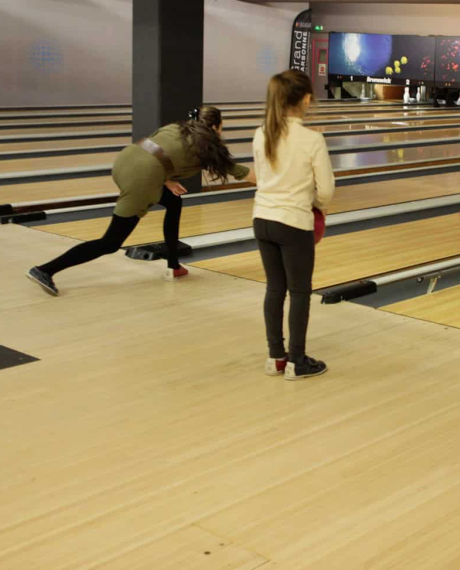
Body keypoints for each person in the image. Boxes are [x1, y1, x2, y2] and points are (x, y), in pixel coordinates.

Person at [27, 105, 254, 295]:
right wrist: (275, 185)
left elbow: (153, 150)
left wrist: (166, 180)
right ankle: (45, 269)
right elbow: (239, 171)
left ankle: (173, 265)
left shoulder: (176, 127)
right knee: (110, 242)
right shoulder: (207, 148)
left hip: (125, 160)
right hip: (141, 178)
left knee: (174, 202)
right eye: (221, 127)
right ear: (215, 127)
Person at [253, 70, 335, 381]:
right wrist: (316, 204)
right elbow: (325, 191)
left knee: (275, 288)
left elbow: (263, 178)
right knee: (299, 292)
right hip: (293, 223)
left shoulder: (261, 133)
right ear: (305, 99)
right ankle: (297, 361)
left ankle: (276, 357)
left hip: (262, 219)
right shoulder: (312, 139)